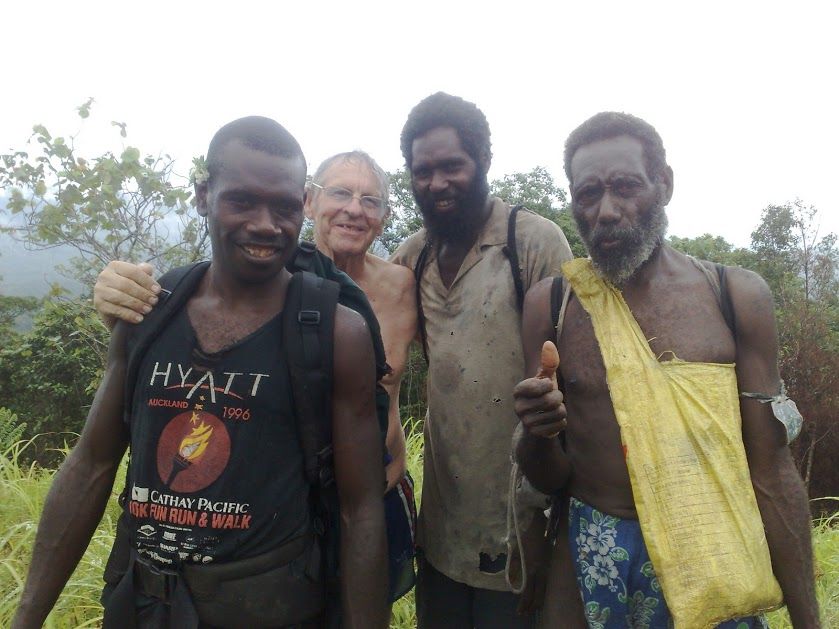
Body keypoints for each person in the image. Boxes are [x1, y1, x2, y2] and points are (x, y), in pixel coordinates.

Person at [13, 117, 389, 629]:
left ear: (302, 205)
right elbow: (91, 464)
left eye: (282, 206)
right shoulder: (151, 310)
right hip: (142, 603)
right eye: (241, 201)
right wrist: (26, 616)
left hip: (267, 608)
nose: (264, 223)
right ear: (203, 196)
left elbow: (360, 508)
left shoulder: (335, 332)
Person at [513, 112, 820, 628]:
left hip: (715, 551)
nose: (606, 211)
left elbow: (771, 469)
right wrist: (537, 433)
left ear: (665, 184)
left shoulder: (734, 296)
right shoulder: (555, 304)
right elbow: (550, 475)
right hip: (594, 552)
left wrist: (809, 621)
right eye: (588, 194)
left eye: (625, 187)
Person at [389, 92, 573, 628]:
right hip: (441, 529)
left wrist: (547, 529)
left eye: (452, 166)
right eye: (423, 171)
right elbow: (351, 299)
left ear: (483, 163)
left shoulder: (532, 242)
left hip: (520, 531)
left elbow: (573, 386)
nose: (437, 183)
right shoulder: (413, 255)